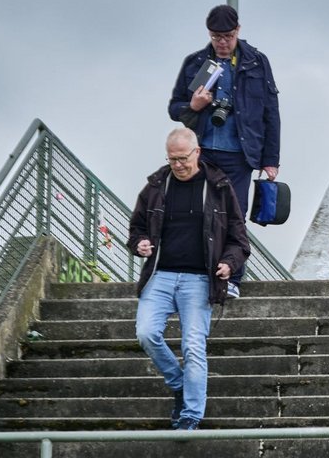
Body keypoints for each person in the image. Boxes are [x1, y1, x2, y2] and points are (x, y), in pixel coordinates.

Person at [127, 128, 249, 431]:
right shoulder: (156, 186)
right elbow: (136, 229)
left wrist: (227, 263)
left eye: (182, 158)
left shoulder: (219, 187)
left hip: (198, 279)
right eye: (172, 159)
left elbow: (239, 239)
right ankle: (180, 384)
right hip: (160, 275)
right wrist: (139, 243)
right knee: (146, 333)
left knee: (193, 346)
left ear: (197, 153)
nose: (177, 165)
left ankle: (191, 414)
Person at [168, 4, 279, 298]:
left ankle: (232, 278)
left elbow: (271, 112)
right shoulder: (195, 63)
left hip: (241, 156)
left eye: (228, 36)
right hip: (202, 154)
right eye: (217, 36)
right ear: (209, 34)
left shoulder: (257, 62)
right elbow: (174, 108)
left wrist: (271, 160)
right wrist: (193, 107)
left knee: (235, 217)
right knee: (198, 215)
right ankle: (202, 276)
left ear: (238, 31)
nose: (222, 42)